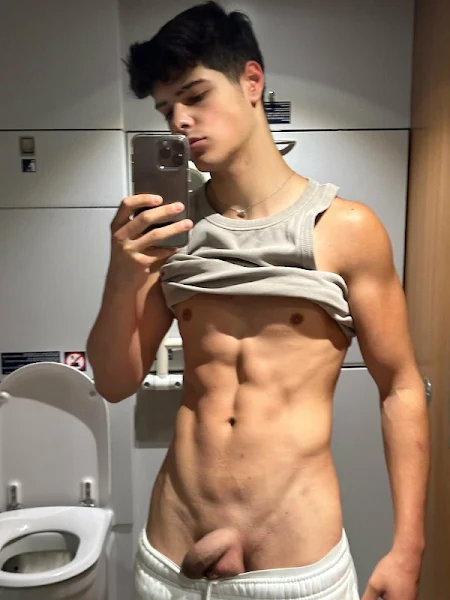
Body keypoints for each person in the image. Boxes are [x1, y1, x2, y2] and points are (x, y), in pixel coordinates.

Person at [87, 2, 430, 599]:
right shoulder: (170, 231)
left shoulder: (345, 229)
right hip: (170, 558)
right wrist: (122, 274)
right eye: (166, 109)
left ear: (251, 81)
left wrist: (408, 548)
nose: (180, 122)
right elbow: (115, 383)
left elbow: (400, 386)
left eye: (195, 96)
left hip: (296, 567)